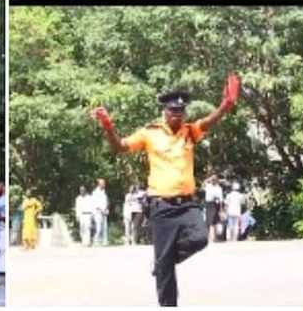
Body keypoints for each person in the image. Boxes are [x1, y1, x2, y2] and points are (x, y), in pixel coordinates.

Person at [92, 73, 241, 306]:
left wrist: (226, 105)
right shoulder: (149, 133)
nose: (177, 115)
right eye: (173, 111)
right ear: (165, 112)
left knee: (200, 239)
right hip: (161, 206)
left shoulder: (190, 131)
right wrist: (108, 127)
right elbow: (120, 147)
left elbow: (210, 121)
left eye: (181, 112)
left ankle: (165, 261)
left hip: (187, 204)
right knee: (165, 271)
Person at [203, 175, 224, 243]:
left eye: (215, 179)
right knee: (210, 222)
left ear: (216, 181)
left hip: (215, 204)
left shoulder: (219, 188)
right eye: (213, 179)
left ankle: (213, 238)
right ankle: (211, 238)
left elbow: (221, 199)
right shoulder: (208, 186)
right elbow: (203, 183)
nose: (213, 181)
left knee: (213, 222)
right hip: (209, 204)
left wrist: (221, 209)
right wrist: (209, 178)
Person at [91, 178, 109, 246]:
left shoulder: (104, 192)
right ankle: (95, 241)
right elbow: (95, 203)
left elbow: (106, 201)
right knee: (98, 228)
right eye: (103, 183)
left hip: (104, 212)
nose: (104, 184)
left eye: (104, 183)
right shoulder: (95, 192)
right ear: (99, 184)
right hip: (98, 212)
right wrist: (101, 210)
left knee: (105, 228)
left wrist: (106, 208)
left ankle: (104, 242)